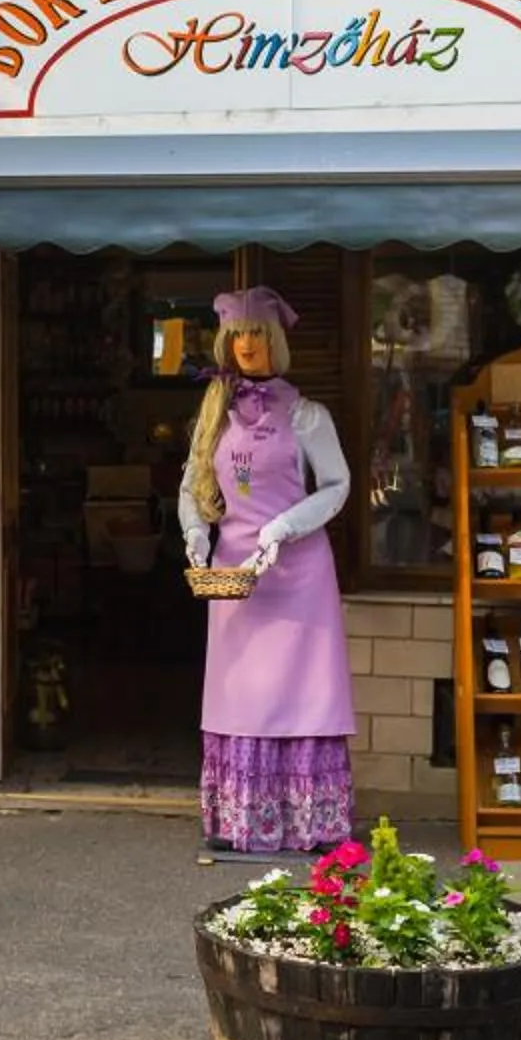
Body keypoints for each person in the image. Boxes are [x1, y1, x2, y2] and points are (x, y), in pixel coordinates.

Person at [179, 286, 356, 855]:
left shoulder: (307, 415)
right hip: (236, 575)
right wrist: (196, 533)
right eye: (237, 336)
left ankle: (313, 825)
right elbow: (191, 487)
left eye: (257, 334)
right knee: (241, 694)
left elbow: (338, 486)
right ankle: (239, 822)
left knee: (305, 693)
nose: (247, 346)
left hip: (300, 575)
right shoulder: (215, 412)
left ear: (275, 341)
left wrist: (283, 528)